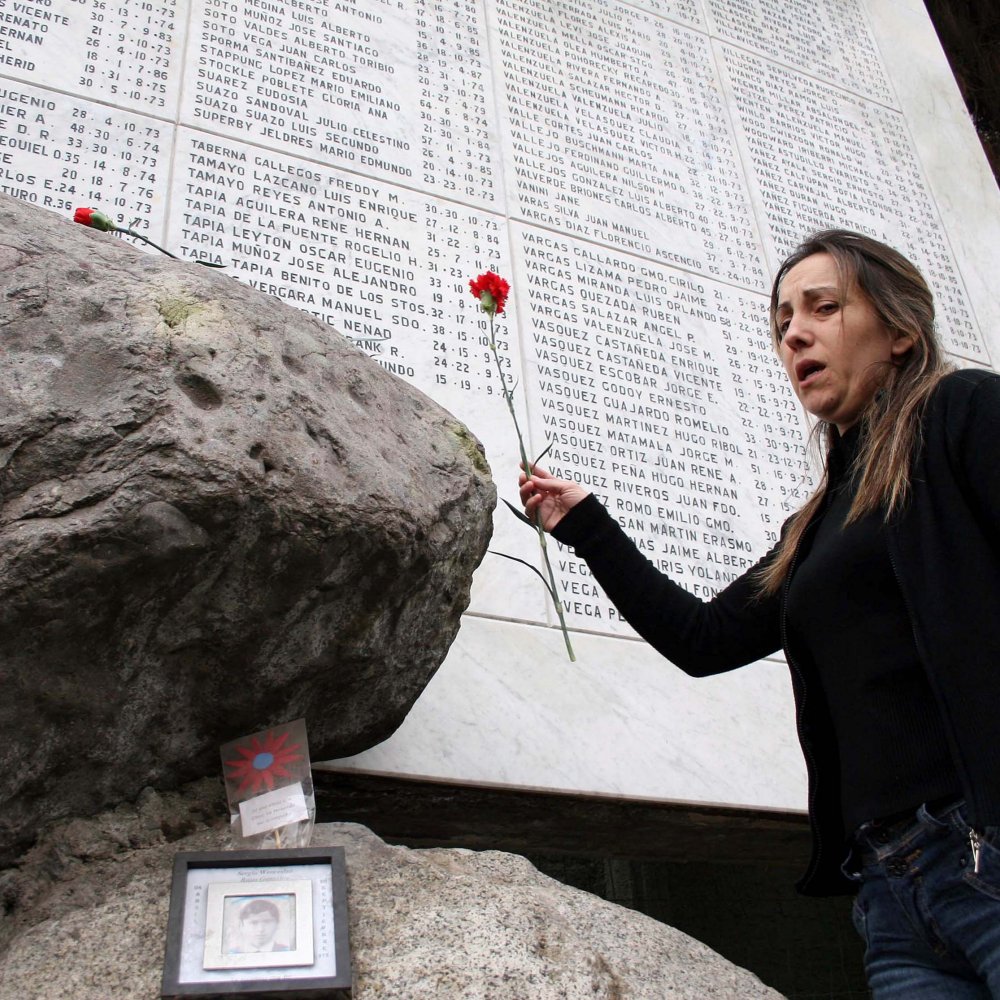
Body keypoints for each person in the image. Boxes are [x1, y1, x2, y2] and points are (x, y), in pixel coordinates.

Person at [519, 229, 1000, 998]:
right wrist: (587, 527)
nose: (795, 333)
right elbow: (702, 641)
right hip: (891, 896)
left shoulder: (962, 412)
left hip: (981, 850)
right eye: (781, 323)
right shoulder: (814, 529)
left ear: (902, 330)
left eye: (824, 307)